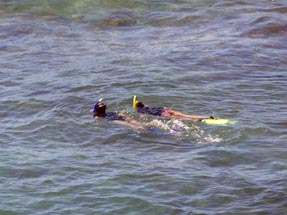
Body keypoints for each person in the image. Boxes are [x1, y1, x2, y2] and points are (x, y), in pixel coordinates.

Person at [135, 99, 213, 122]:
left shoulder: (140, 111)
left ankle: (197, 120)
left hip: (162, 114)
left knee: (182, 119)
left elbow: (143, 116)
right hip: (166, 110)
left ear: (137, 107)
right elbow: (157, 108)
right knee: (186, 115)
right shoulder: (148, 106)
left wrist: (140, 119)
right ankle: (207, 116)